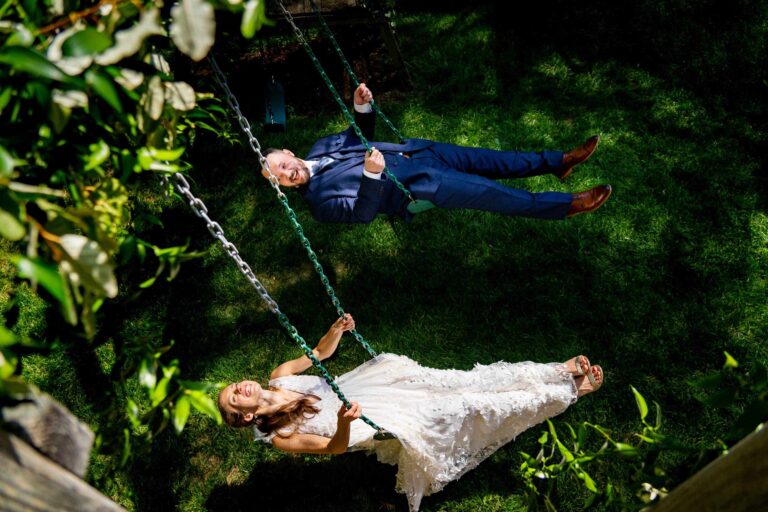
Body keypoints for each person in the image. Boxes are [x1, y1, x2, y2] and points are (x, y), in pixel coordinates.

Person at [219, 315, 604, 511]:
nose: (240, 389)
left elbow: (319, 355)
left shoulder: (279, 378)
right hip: (365, 417)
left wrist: (336, 330)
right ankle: (566, 392)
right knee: (464, 407)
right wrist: (342, 423)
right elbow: (332, 449)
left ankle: (553, 372)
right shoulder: (281, 438)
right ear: (248, 418)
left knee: (458, 383)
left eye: (234, 387)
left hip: (366, 388)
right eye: (236, 400)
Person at [262, 84, 612, 224]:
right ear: (287, 188)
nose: (286, 174)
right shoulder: (321, 204)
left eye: (281, 165)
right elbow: (363, 214)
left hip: (420, 152)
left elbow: (357, 135)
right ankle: (566, 205)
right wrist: (370, 175)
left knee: (496, 160)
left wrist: (361, 106)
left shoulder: (321, 146)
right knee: (494, 194)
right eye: (279, 179)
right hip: (421, 185)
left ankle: (559, 161)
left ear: (289, 153)